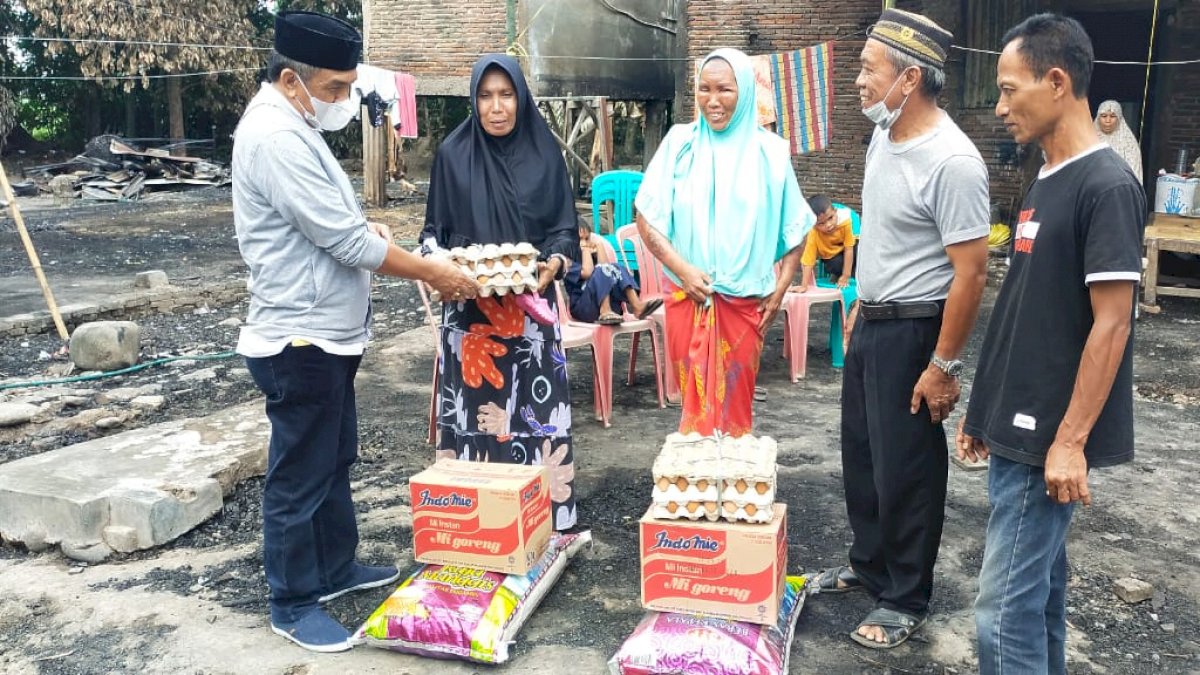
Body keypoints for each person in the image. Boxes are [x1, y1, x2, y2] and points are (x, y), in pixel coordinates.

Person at [232, 11, 477, 653]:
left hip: (329, 334)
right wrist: (430, 270)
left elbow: (328, 224)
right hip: (299, 336)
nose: (344, 99)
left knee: (334, 456)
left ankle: (335, 568)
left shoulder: (296, 124)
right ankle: (292, 602)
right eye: (335, 88)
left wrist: (368, 231)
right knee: (299, 472)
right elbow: (341, 242)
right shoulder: (275, 136)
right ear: (292, 80)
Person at [960, 15, 1146, 674]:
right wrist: (983, 410)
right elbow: (1023, 310)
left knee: (1001, 613)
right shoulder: (1046, 179)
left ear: (1058, 82)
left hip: (1047, 435)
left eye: (1011, 90)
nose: (1000, 107)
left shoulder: (1107, 187)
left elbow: (1113, 324)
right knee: (1037, 600)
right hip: (1018, 423)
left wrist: (1069, 441)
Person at [818, 9, 991, 650]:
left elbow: (971, 273)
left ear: (909, 77)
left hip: (917, 330)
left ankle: (905, 596)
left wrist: (943, 365)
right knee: (863, 455)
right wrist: (862, 296)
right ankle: (870, 566)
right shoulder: (883, 135)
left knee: (907, 468)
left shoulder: (953, 161)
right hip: (873, 319)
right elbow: (882, 227)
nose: (859, 81)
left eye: (870, 69)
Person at [420, 54, 581, 532]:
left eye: (506, 95)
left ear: (521, 98)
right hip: (471, 319)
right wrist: (443, 264)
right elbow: (432, 234)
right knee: (477, 419)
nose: (496, 107)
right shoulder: (453, 155)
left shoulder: (545, 154)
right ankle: (482, 525)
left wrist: (555, 262)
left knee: (535, 415)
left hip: (531, 315)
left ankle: (545, 520)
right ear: (473, 100)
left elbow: (564, 231)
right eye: (486, 96)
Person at [635, 47, 813, 438]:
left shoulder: (770, 153)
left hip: (745, 303)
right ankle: (695, 473)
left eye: (724, 90)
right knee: (693, 405)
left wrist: (781, 289)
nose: (712, 101)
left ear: (745, 92)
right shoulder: (680, 144)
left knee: (734, 407)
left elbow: (797, 227)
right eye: (705, 89)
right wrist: (683, 271)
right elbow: (646, 217)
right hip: (687, 297)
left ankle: (734, 472)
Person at [566, 224, 663, 324]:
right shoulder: (568, 261)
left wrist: (599, 246)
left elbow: (605, 268)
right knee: (601, 269)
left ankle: (637, 306)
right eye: (580, 239)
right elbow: (587, 272)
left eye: (587, 238)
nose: (584, 242)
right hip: (583, 308)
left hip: (608, 307)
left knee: (617, 267)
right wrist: (586, 250)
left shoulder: (591, 254)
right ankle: (605, 310)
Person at [789, 194, 857, 293]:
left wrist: (846, 275)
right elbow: (808, 259)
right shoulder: (813, 233)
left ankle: (855, 277)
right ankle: (839, 275)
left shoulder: (845, 222)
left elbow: (849, 248)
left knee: (858, 249)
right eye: (821, 223)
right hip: (831, 257)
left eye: (830, 218)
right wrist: (804, 285)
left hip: (848, 252)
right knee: (835, 264)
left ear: (835, 211)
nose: (828, 225)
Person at [1094, 99, 1144, 182]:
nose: (1108, 121)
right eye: (1104, 116)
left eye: (1112, 116)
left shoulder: (1129, 144)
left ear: (1119, 118)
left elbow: (1134, 173)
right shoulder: (1090, 140)